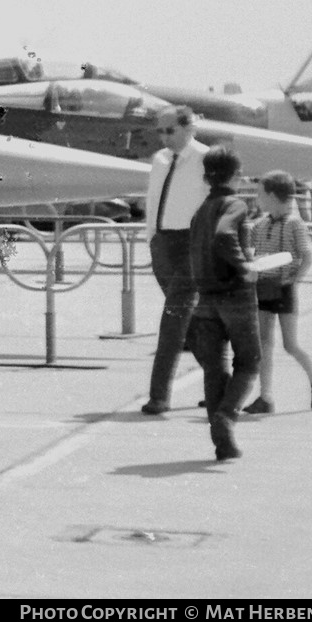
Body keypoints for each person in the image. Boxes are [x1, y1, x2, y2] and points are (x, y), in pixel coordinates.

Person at [187, 146, 261, 461]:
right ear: (237, 176)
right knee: (249, 361)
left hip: (205, 297)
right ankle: (227, 416)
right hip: (236, 295)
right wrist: (245, 265)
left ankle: (223, 443)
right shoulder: (235, 204)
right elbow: (223, 235)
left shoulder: (200, 210)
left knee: (213, 369)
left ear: (206, 177)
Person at [141, 105, 209, 414]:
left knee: (172, 319)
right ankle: (220, 382)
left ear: (188, 128)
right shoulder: (159, 160)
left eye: (170, 130)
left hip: (190, 245)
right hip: (163, 244)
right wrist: (152, 238)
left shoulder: (206, 159)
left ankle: (159, 395)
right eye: (160, 131)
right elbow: (153, 201)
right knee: (189, 323)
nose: (164, 137)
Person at [243, 171, 312, 414]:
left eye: (260, 194)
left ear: (270, 196)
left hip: (284, 289)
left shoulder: (294, 224)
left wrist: (294, 280)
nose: (257, 200)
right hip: (264, 288)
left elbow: (306, 255)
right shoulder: (260, 224)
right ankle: (265, 397)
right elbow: (251, 252)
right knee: (264, 343)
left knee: (290, 344)